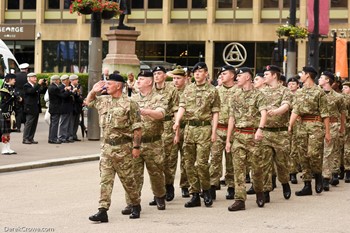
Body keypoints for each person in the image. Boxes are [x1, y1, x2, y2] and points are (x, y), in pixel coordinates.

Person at [86, 74, 142, 221]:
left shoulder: (130, 103)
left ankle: (135, 204)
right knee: (105, 180)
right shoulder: (103, 100)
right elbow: (88, 102)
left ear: (118, 85)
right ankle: (102, 210)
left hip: (123, 148)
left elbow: (137, 128)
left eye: (109, 84)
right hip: (106, 148)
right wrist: (93, 91)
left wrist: (136, 147)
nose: (106, 86)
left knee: (128, 180)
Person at [173, 62, 220, 208]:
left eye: (200, 71)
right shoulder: (188, 90)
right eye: (195, 72)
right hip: (189, 129)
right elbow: (182, 106)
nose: (197, 74)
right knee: (188, 164)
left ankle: (206, 190)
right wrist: (177, 121)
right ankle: (194, 194)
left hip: (204, 129)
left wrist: (214, 132)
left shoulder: (212, 91)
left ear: (206, 73)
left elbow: (215, 112)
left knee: (201, 163)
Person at [224, 67, 267, 211]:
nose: (237, 78)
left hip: (254, 136)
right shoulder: (235, 95)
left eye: (240, 75)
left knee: (257, 169)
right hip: (238, 136)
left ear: (248, 77)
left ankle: (260, 192)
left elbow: (263, 113)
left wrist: (260, 129)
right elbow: (231, 118)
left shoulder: (258, 95)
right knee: (239, 169)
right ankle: (239, 200)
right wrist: (228, 140)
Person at [128, 70, 167, 211]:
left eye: (141, 79)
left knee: (156, 174)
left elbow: (161, 114)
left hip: (153, 142)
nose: (138, 81)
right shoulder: (132, 99)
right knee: (134, 175)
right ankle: (132, 202)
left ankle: (160, 196)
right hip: (136, 143)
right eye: (138, 79)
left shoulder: (158, 97)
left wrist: (146, 111)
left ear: (149, 82)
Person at [289, 66, 330, 196]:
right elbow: (295, 110)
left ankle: (318, 175)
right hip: (301, 126)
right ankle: (307, 185)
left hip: (315, 125)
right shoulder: (299, 92)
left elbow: (325, 113)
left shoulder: (319, 92)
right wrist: (290, 125)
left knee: (313, 153)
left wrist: (328, 132)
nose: (300, 75)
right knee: (302, 155)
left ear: (307, 75)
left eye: (302, 73)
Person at [260, 65, 292, 203]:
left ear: (274, 75)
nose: (264, 76)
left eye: (266, 74)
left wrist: (276, 112)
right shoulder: (261, 92)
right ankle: (266, 190)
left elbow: (286, 106)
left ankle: (285, 182)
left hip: (280, 133)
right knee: (265, 163)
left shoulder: (285, 91)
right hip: (266, 132)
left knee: (282, 163)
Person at [151, 66, 179, 204]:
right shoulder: (150, 89)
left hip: (168, 126)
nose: (156, 76)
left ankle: (169, 186)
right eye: (154, 73)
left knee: (169, 160)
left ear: (164, 75)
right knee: (155, 162)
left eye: (159, 73)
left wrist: (176, 129)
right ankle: (158, 192)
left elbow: (175, 109)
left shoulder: (171, 89)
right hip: (153, 127)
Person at [209, 65, 236, 200]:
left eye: (224, 73)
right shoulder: (216, 91)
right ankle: (212, 186)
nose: (222, 76)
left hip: (234, 130)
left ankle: (231, 186)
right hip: (218, 129)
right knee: (215, 158)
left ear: (232, 75)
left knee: (231, 160)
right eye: (221, 74)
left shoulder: (239, 91)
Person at [318, 71, 345, 191]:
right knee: (318, 151)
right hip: (318, 125)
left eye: (321, 78)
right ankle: (318, 174)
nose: (319, 79)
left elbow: (343, 112)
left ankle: (326, 178)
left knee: (328, 151)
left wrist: (342, 126)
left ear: (327, 80)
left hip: (333, 124)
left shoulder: (338, 97)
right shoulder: (317, 94)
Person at [170, 66, 190, 198]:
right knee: (170, 159)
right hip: (172, 128)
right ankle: (169, 187)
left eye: (178, 78)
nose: (175, 81)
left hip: (187, 127)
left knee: (186, 159)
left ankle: (185, 186)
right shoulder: (170, 92)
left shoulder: (189, 92)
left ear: (185, 79)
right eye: (174, 78)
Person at [22, 73, 47, 144]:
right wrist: (38, 84)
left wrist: (44, 85)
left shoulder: (35, 86)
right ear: (29, 78)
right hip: (29, 107)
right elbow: (31, 91)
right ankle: (25, 138)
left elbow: (42, 91)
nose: (35, 79)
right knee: (29, 123)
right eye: (33, 77)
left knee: (34, 124)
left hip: (36, 107)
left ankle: (31, 138)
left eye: (35, 77)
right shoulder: (26, 85)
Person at [287, 76, 302, 184]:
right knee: (287, 148)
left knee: (295, 149)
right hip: (285, 123)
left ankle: (293, 173)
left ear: (298, 85)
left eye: (293, 84)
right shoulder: (285, 95)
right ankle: (288, 171)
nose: (291, 86)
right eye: (289, 84)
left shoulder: (300, 95)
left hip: (298, 124)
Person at [1, 74, 20, 154]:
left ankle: (8, 148)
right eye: (13, 79)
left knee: (8, 130)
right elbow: (4, 102)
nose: (15, 81)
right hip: (5, 112)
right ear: (9, 79)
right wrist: (14, 96)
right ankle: (4, 148)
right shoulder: (4, 89)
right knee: (5, 131)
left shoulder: (11, 88)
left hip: (11, 112)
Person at [58, 75, 74, 143]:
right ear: (64, 80)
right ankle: (62, 137)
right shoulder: (61, 87)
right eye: (67, 80)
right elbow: (63, 96)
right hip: (64, 107)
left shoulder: (67, 86)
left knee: (68, 123)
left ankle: (67, 136)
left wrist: (71, 91)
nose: (69, 81)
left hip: (69, 107)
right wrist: (68, 91)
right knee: (64, 123)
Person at [14, 63, 29, 132]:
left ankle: (18, 127)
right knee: (26, 110)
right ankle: (27, 126)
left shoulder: (15, 75)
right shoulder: (28, 76)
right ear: (26, 69)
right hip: (26, 95)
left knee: (19, 111)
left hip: (18, 95)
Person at [48, 75, 62, 144]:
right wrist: (67, 91)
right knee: (55, 124)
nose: (59, 81)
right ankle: (53, 138)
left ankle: (51, 138)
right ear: (56, 80)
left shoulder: (51, 86)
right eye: (59, 80)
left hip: (52, 107)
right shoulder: (55, 88)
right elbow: (61, 95)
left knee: (52, 124)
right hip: (56, 108)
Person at [69, 74, 84, 141]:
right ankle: (70, 136)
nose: (77, 81)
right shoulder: (69, 87)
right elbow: (73, 97)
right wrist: (75, 93)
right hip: (72, 107)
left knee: (76, 122)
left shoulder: (79, 87)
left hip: (78, 107)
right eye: (76, 79)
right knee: (71, 122)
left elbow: (80, 95)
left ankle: (74, 135)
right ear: (72, 80)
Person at [342, 81, 350, 183]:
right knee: (341, 148)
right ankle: (342, 169)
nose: (344, 89)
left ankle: (347, 170)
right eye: (343, 87)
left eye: (346, 88)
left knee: (347, 148)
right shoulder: (341, 98)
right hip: (343, 124)